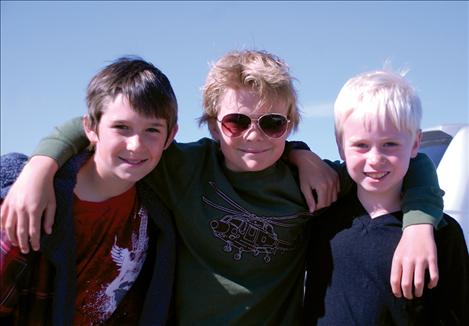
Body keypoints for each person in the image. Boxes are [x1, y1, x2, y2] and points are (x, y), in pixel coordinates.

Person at [1, 50, 445, 324]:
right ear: (213, 125)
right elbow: (109, 127)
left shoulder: (317, 179)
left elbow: (413, 162)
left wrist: (419, 226)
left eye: (272, 123)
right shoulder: (183, 165)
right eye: (236, 121)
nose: (253, 136)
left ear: (290, 125)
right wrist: (39, 168)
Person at [0, 57, 178, 325]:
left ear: (170, 137)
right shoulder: (32, 205)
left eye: (152, 130)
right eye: (121, 127)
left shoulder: (157, 199)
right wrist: (39, 169)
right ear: (90, 129)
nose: (135, 145)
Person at [304, 70, 469, 325]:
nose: (375, 158)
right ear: (340, 145)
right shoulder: (320, 219)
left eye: (390, 144)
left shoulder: (443, 236)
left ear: (415, 144)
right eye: (361, 145)